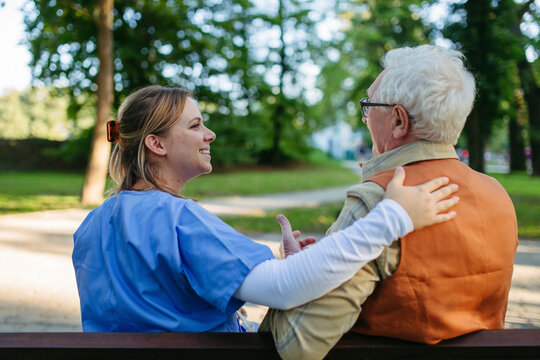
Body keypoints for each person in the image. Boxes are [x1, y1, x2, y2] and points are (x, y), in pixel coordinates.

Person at [72, 85, 459, 333]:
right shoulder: (178, 220)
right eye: (195, 126)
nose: (210, 135)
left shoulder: (92, 225)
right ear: (157, 145)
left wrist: (289, 264)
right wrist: (392, 218)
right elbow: (284, 290)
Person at [259, 44, 518, 359]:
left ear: (398, 121)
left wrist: (294, 279)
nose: (365, 117)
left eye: (369, 105)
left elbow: (298, 345)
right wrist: (314, 266)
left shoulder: (379, 200)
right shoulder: (496, 193)